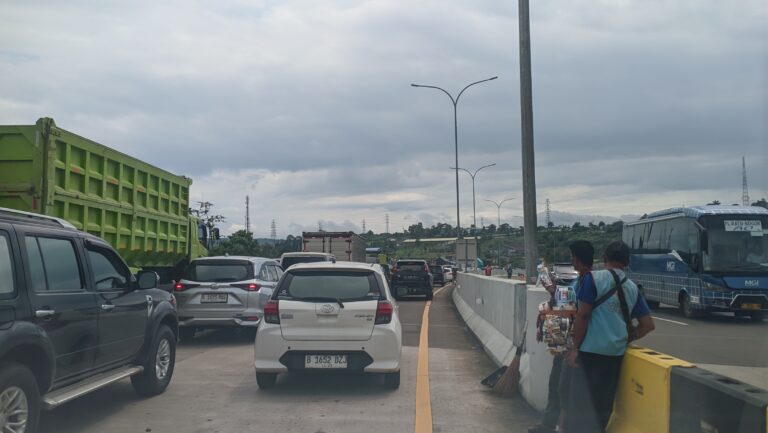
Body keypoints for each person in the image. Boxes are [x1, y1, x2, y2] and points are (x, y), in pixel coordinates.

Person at [564, 241, 655, 433]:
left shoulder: (592, 279)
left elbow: (583, 315)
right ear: (627, 262)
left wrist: (574, 348)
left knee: (579, 408)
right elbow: (648, 325)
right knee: (602, 409)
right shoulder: (632, 288)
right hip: (615, 356)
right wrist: (625, 339)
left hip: (589, 354)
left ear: (604, 258)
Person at [528, 240, 594, 433]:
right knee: (556, 385)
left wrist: (552, 290)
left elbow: (574, 307)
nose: (571, 261)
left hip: (572, 343)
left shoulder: (587, 282)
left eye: (573, 257)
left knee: (562, 389)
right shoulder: (581, 281)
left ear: (577, 259)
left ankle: (556, 426)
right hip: (565, 339)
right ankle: (549, 424)